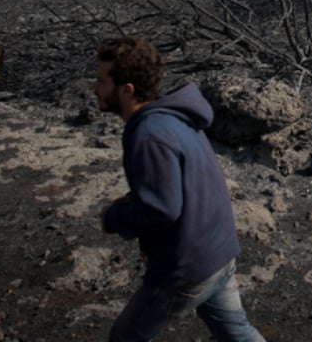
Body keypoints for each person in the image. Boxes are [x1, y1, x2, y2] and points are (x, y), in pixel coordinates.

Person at [94, 37, 266, 342]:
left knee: (125, 337)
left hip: (188, 267)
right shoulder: (174, 119)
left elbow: (161, 208)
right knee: (237, 334)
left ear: (127, 89)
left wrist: (114, 217)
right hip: (218, 251)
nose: (95, 88)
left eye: (102, 81)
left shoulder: (150, 135)